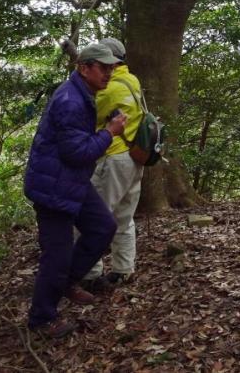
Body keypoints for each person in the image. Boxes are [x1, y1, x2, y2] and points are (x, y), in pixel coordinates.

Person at [24, 43, 128, 338]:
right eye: (104, 68)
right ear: (84, 68)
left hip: (72, 182)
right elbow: (77, 153)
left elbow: (76, 146)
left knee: (102, 227)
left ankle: (67, 281)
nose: (109, 73)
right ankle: (41, 319)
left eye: (111, 68)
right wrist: (110, 132)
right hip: (53, 188)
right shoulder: (70, 100)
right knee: (56, 255)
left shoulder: (83, 94)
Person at [81, 37, 144, 291]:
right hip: (133, 156)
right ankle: (123, 269)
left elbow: (87, 110)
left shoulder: (109, 87)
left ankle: (90, 273)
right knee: (124, 217)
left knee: (94, 218)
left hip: (112, 158)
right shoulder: (132, 80)